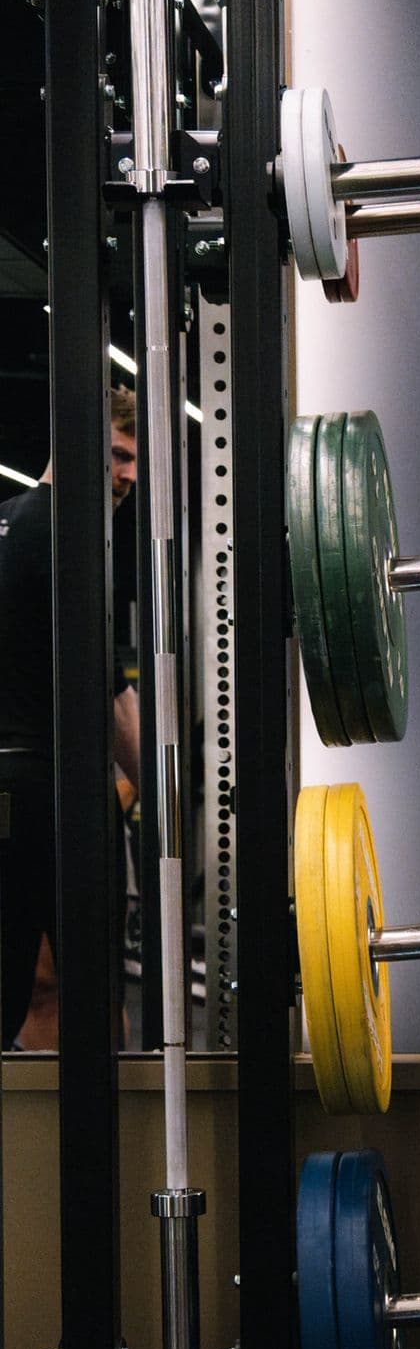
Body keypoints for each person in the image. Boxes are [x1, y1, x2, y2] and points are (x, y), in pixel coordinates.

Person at [0, 386, 140, 1049]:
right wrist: (169, 795)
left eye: (135, 463)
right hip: (62, 795)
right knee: (93, 992)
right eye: (118, 455)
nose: (128, 476)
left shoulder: (5, 521)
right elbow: (113, 702)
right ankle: (103, 1139)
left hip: (8, 795)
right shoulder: (72, 538)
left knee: (11, 983)